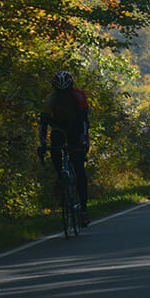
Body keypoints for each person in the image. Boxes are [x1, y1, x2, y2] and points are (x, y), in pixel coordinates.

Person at [38, 69, 90, 226]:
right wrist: (42, 143)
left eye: (66, 91)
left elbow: (84, 121)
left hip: (76, 129)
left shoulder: (78, 96)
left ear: (71, 88)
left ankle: (83, 210)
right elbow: (43, 123)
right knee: (55, 146)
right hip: (59, 129)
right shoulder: (51, 101)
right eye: (60, 92)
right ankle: (61, 177)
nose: (63, 95)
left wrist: (83, 139)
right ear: (55, 90)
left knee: (79, 169)